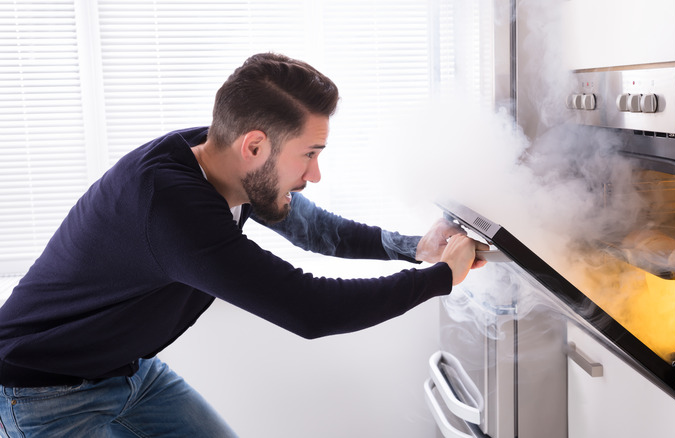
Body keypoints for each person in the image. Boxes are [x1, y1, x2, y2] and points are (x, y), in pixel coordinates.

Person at [0, 52, 488, 437]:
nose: (313, 176)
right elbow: (310, 309)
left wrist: (413, 247)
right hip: (43, 392)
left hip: (130, 374)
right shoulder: (171, 208)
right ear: (254, 146)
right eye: (310, 155)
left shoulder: (215, 156)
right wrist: (442, 277)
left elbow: (315, 229)